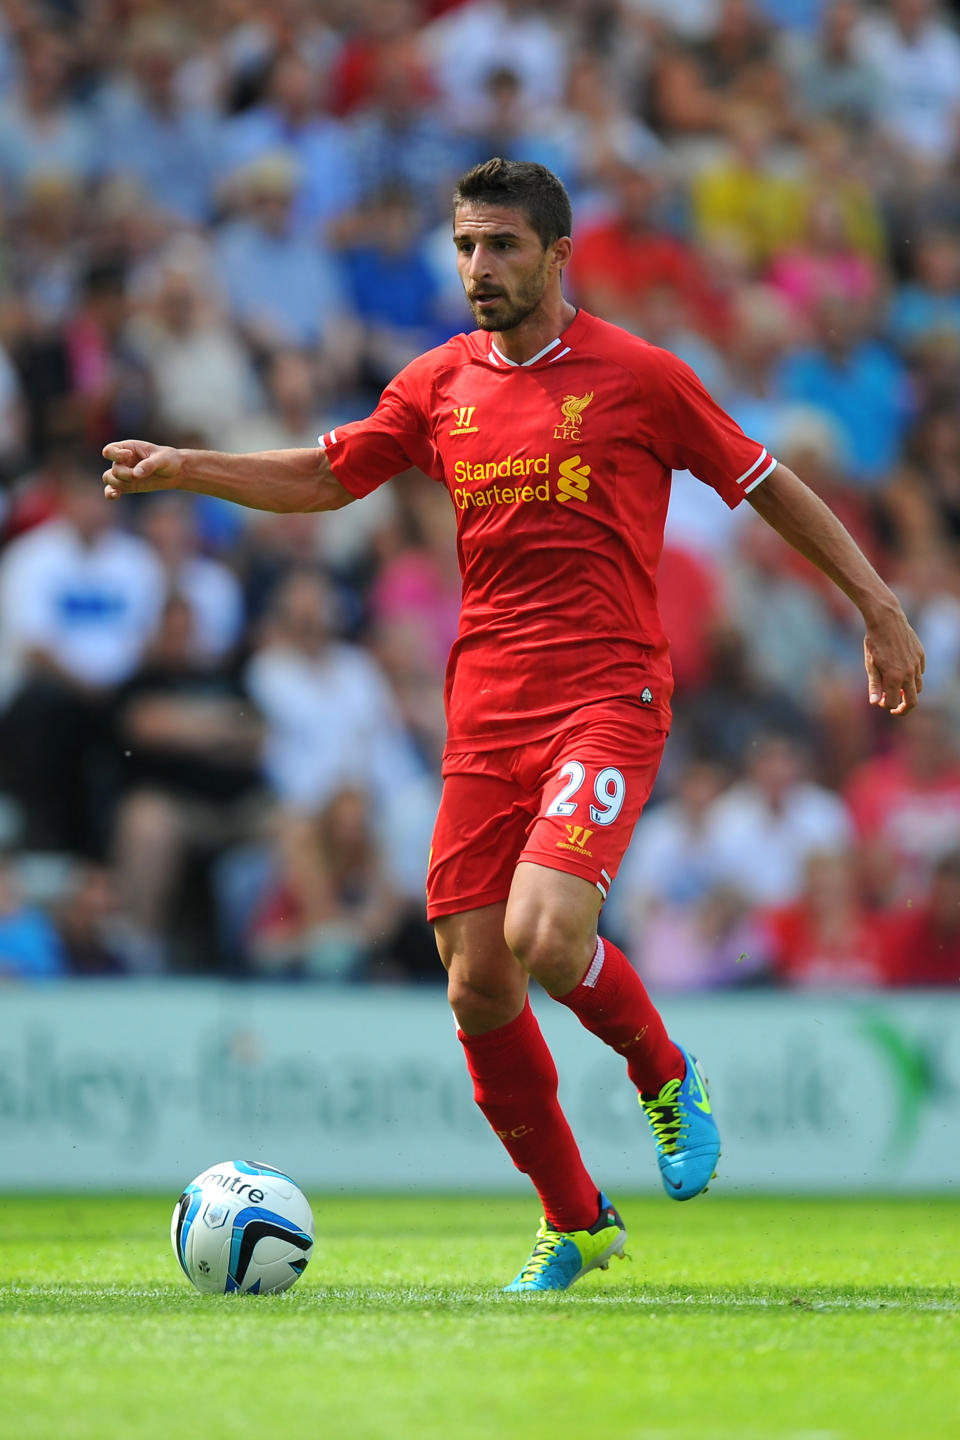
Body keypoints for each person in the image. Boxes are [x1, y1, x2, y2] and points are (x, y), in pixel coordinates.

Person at [102, 158, 925, 1294]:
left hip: (608, 695)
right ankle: (575, 1220)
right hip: (485, 711)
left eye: (499, 247)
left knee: (546, 934)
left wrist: (878, 606)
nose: (478, 268)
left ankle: (662, 1073)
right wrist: (187, 466)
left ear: (556, 253)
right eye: (464, 247)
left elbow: (766, 481)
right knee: (477, 986)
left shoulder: (640, 376)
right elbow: (330, 476)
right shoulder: (439, 383)